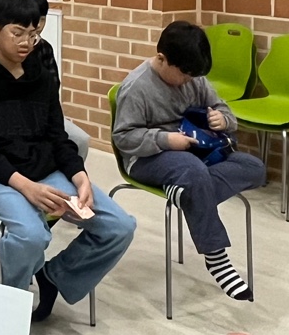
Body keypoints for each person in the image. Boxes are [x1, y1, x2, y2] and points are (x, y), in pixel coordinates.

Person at [0, 0, 136, 322]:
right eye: (17, 33)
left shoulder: (41, 78)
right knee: (31, 234)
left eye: (33, 34)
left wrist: (80, 176)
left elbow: (57, 137)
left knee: (119, 226)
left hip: (45, 172)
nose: (26, 42)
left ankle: (55, 277)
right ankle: (11, 303)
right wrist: (26, 187)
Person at [113, 21, 265, 301]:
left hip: (195, 155)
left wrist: (223, 119)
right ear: (162, 59)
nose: (187, 80)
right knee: (193, 170)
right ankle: (216, 258)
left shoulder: (193, 78)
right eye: (183, 74)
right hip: (147, 158)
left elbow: (221, 107)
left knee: (253, 168)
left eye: (193, 75)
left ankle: (185, 193)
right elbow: (123, 137)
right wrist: (165, 140)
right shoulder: (136, 87)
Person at [22, 0, 92, 160]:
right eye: (35, 19)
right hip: (19, 118)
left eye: (43, 19)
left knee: (80, 140)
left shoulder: (45, 48)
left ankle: (73, 174)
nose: (38, 25)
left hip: (44, 114)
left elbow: (53, 86)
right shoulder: (9, 49)